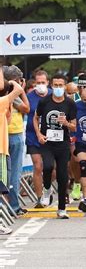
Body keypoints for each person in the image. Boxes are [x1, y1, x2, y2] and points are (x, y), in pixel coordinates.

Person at [34, 74, 77, 219]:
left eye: (61, 85)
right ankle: (47, 190)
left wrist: (66, 124)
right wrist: (39, 134)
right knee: (46, 167)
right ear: (51, 86)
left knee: (62, 176)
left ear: (65, 86)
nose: (58, 88)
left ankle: (61, 209)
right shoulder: (44, 101)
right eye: (55, 85)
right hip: (47, 142)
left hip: (63, 144)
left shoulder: (70, 103)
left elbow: (74, 127)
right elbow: (36, 118)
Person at [3, 66, 30, 216]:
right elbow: (26, 108)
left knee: (4, 172)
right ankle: (13, 206)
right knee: (14, 172)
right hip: (14, 134)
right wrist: (21, 90)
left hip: (5, 134)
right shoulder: (12, 93)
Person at [26, 70, 52, 207]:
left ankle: (47, 188)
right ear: (34, 83)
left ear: (48, 83)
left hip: (52, 136)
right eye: (38, 83)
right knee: (38, 166)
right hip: (33, 136)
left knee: (50, 167)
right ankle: (39, 198)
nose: (41, 85)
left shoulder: (55, 95)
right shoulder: (29, 97)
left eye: (43, 82)